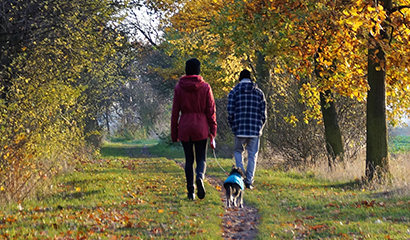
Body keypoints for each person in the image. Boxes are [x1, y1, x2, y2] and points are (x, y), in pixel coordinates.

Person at [171, 58, 217, 200]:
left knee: (189, 159)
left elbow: (175, 112)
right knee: (201, 157)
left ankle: (191, 192)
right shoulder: (205, 87)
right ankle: (200, 176)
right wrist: (213, 131)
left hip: (185, 126)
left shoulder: (179, 87)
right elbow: (211, 110)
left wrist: (174, 133)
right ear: (198, 70)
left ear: (186, 70)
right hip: (201, 126)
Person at [227, 69, 267, 189]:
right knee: (252, 155)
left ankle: (240, 176)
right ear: (251, 79)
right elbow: (264, 114)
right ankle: (249, 180)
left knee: (238, 151)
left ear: (240, 78)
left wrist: (232, 126)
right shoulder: (259, 93)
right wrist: (260, 127)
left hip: (239, 128)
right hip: (254, 129)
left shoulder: (234, 92)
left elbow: (230, 112)